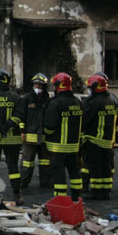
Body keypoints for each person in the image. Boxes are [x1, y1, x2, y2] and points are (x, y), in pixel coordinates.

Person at [44, 72, 84, 200]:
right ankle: (76, 197)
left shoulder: (56, 103)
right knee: (74, 172)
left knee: (59, 175)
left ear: (58, 86)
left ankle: (60, 199)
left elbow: (50, 126)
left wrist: (47, 135)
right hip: (73, 147)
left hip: (58, 147)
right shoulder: (77, 101)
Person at [81, 73, 118, 199]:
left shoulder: (93, 103)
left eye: (90, 88)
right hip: (108, 141)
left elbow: (86, 121)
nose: (89, 90)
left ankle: (96, 192)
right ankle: (106, 191)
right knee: (106, 167)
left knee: (95, 167)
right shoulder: (111, 101)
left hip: (95, 140)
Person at [15, 72, 51, 193]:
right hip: (29, 137)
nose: (38, 87)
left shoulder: (48, 100)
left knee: (45, 161)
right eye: (36, 85)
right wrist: (22, 132)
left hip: (44, 137)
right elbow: (21, 116)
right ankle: (24, 182)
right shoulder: (26, 99)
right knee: (27, 161)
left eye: (40, 85)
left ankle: (45, 182)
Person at [0, 69, 23, 202]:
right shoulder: (15, 97)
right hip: (12, 139)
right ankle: (17, 195)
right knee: (13, 168)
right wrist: (8, 126)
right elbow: (19, 116)